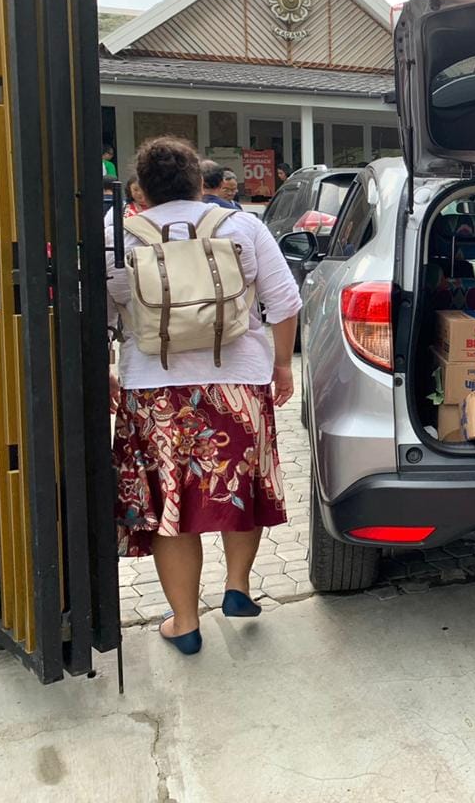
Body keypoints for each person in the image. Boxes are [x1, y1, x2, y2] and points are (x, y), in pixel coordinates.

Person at [105, 136, 302, 655]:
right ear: (199, 181)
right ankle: (237, 588)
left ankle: (186, 623)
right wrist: (282, 365)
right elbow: (285, 303)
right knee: (241, 487)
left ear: (141, 190)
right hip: (238, 382)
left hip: (153, 391)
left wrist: (106, 370)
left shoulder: (116, 235)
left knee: (171, 503)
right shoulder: (242, 226)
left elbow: (96, 312)